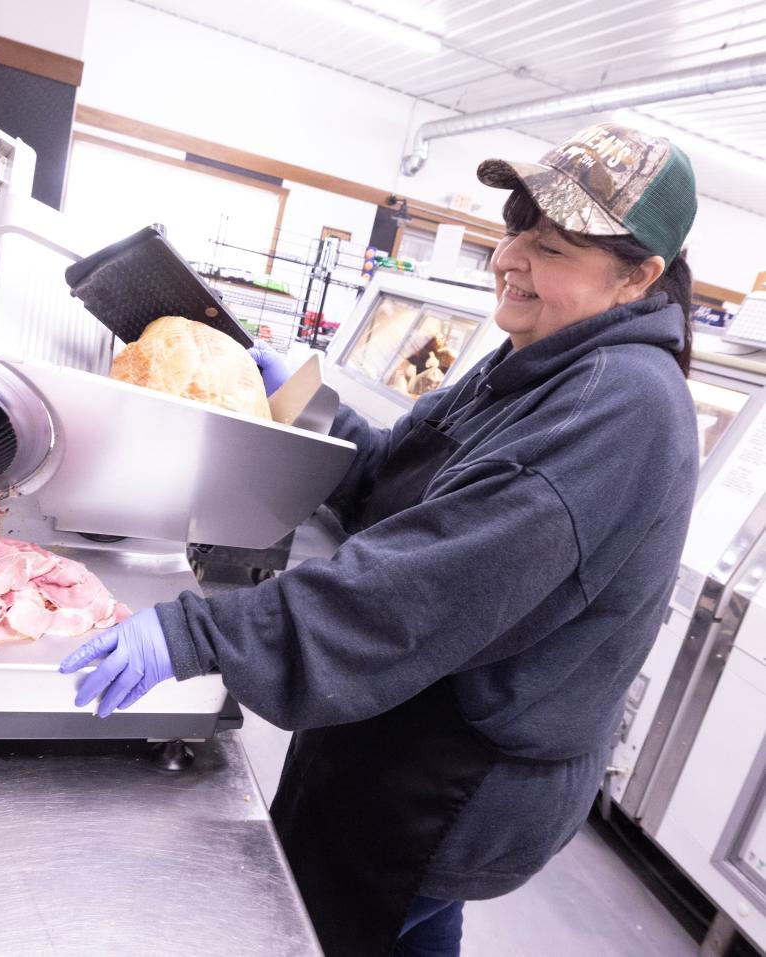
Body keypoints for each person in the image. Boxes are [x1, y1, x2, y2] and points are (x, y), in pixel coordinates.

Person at [59, 122, 700, 957]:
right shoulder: (539, 356)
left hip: (447, 777)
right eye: (514, 229)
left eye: (549, 246)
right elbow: (399, 479)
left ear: (639, 276)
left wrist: (195, 632)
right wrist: (303, 399)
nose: (509, 259)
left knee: (362, 925)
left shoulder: (619, 405)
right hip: (402, 723)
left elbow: (423, 586)